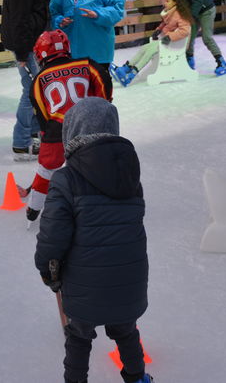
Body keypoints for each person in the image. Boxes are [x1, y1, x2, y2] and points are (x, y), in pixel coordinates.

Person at [34, 97, 152, 383]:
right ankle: (137, 377)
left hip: (85, 280)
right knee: (126, 330)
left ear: (71, 133)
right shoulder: (130, 175)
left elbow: (53, 234)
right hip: (129, 277)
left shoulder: (66, 178)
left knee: (79, 336)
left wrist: (45, 267)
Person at [24, 29, 112, 223]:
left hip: (57, 130)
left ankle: (33, 210)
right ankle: (104, 203)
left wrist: (47, 134)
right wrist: (101, 106)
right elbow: (103, 79)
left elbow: (41, 112)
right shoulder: (87, 64)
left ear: (40, 54)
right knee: (97, 165)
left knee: (46, 170)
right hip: (90, 126)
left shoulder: (38, 80)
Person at [1, 0, 53, 161]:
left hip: (30, 41)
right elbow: (19, 17)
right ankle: (21, 143)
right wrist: (22, 53)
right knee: (31, 92)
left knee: (36, 90)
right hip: (27, 44)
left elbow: (29, 3)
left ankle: (31, 136)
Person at [110, 0, 192, 87]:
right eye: (165, 0)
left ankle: (132, 75)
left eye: (167, 1)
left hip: (174, 43)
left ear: (175, 2)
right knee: (144, 48)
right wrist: (158, 30)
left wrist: (170, 37)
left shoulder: (180, 14)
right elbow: (165, 24)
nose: (164, 3)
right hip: (166, 41)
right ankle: (126, 68)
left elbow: (185, 31)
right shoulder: (170, 12)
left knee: (149, 51)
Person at [173, 0, 226, 75]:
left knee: (207, 37)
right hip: (194, 12)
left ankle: (221, 62)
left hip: (206, 11)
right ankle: (189, 61)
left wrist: (190, 17)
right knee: (189, 36)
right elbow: (178, 0)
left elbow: (197, 1)